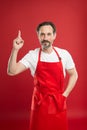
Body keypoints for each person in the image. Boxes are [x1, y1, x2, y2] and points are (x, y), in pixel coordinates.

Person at [7, 21, 78, 130]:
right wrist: (15, 49)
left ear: (54, 36)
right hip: (40, 105)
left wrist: (65, 95)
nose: (45, 37)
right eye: (42, 34)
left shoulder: (64, 54)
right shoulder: (33, 55)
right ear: (38, 36)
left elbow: (74, 74)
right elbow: (12, 71)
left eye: (49, 34)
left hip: (58, 103)